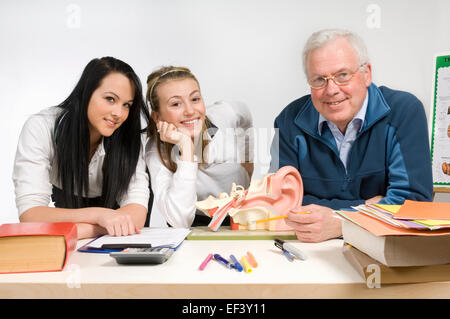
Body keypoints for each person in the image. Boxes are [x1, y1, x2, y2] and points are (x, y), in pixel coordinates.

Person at [269, 29, 433, 243]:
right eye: (319, 79)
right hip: (310, 252)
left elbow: (413, 204)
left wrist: (340, 222)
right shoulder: (289, 121)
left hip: (381, 251)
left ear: (367, 74)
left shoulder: (404, 112)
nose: (331, 89)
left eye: (342, 75)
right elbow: (283, 204)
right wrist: (366, 206)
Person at [13, 57, 150, 239]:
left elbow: (137, 212)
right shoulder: (41, 128)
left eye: (127, 105)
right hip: (78, 219)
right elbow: (31, 216)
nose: (119, 113)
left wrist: (84, 229)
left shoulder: (129, 138)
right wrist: (100, 217)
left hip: (119, 235)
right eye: (110, 99)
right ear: (86, 93)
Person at [145, 66, 253, 228]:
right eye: (176, 104)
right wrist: (186, 148)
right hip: (197, 224)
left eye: (195, 99)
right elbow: (180, 221)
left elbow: (244, 113)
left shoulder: (221, 117)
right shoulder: (156, 152)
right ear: (157, 116)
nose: (190, 111)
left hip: (241, 216)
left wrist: (248, 162)